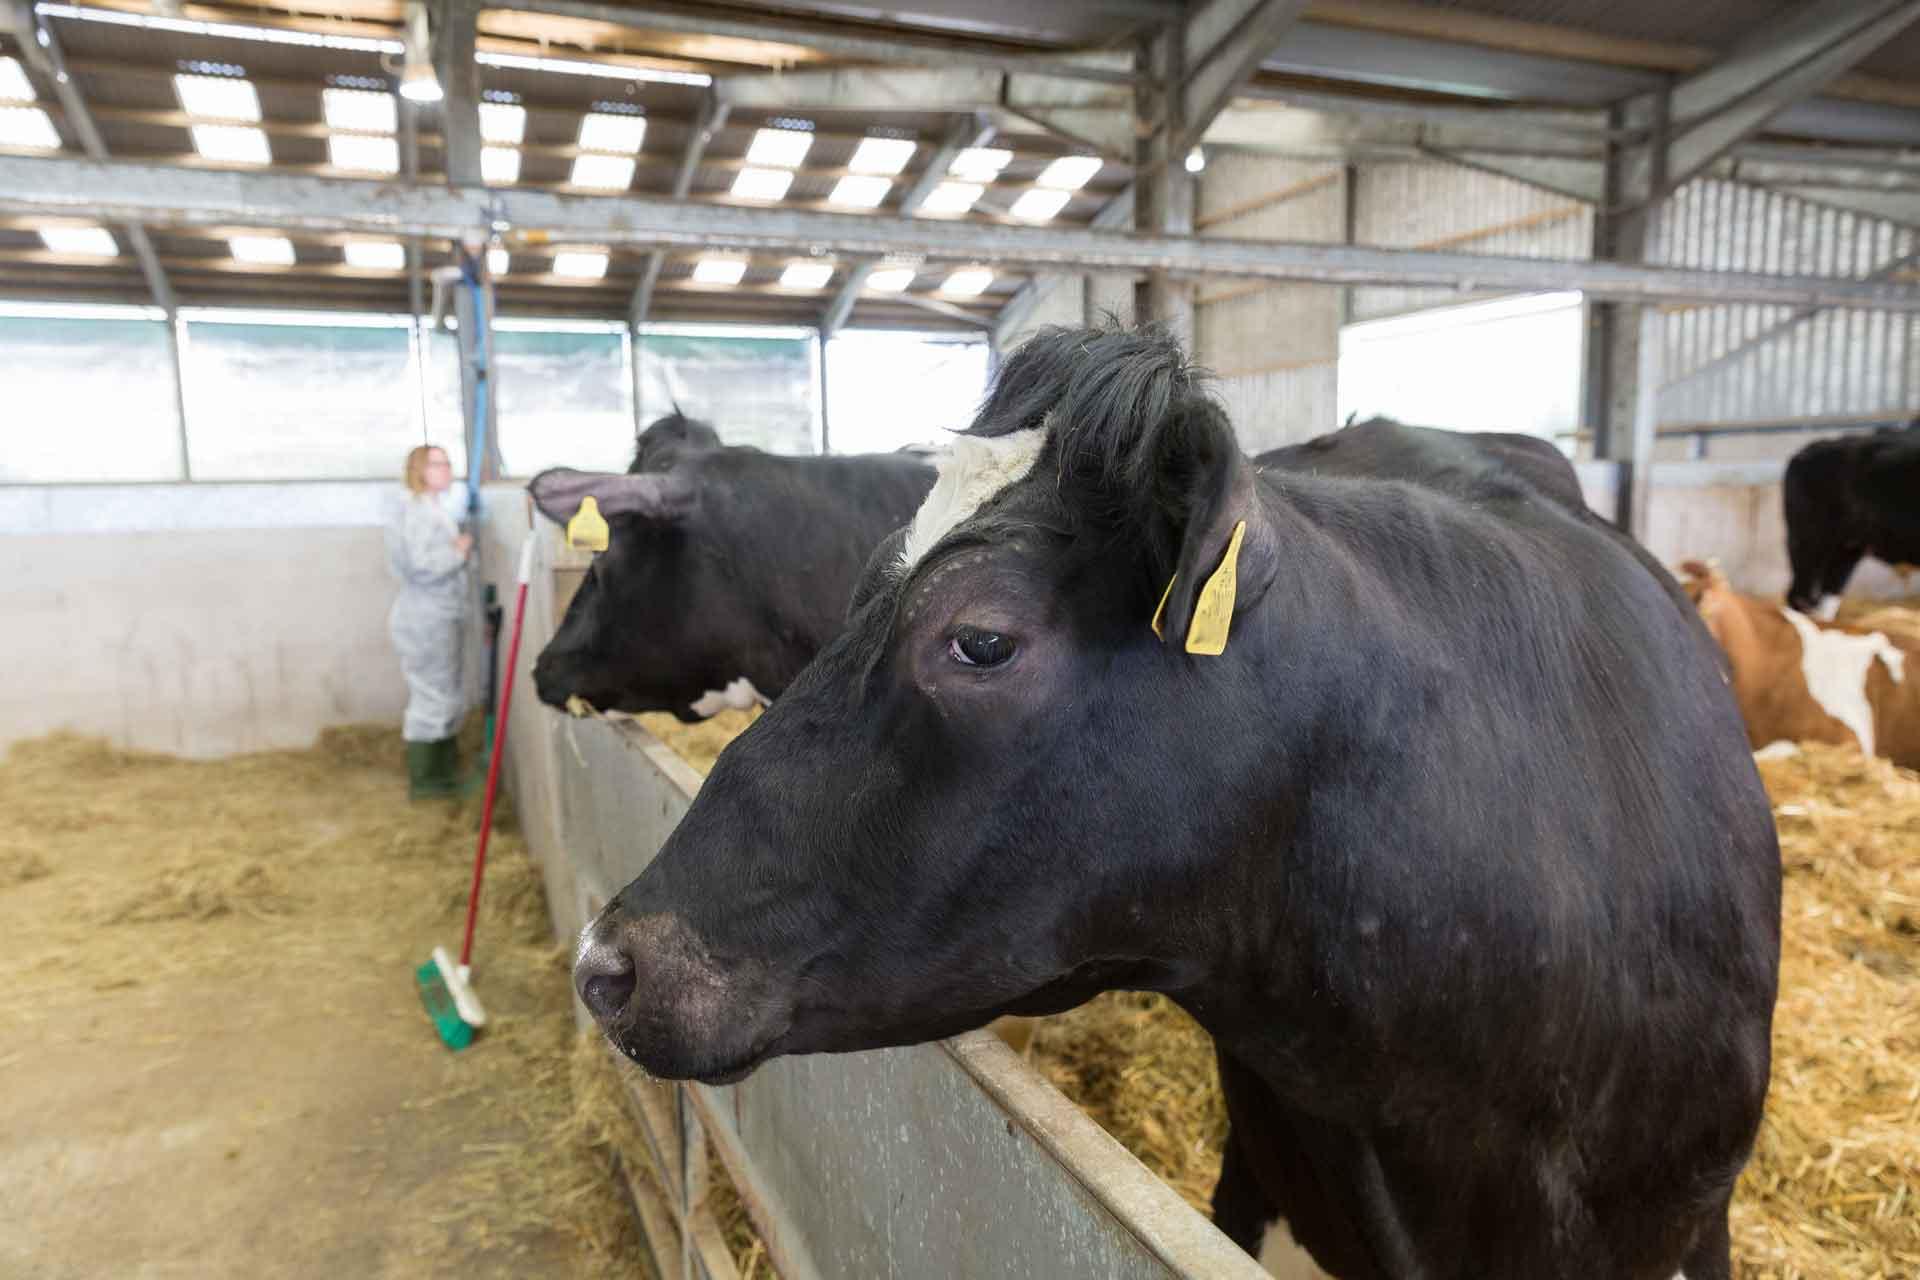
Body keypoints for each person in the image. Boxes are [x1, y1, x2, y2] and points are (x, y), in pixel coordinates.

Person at [386, 444, 473, 798]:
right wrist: (458, 552)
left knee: (442, 693)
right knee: (431, 697)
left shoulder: (432, 508)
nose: (447, 469)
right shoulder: (418, 511)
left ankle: (443, 776)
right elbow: (420, 564)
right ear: (419, 470)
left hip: (437, 611)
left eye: (448, 463)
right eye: (438, 464)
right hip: (426, 615)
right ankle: (427, 783)